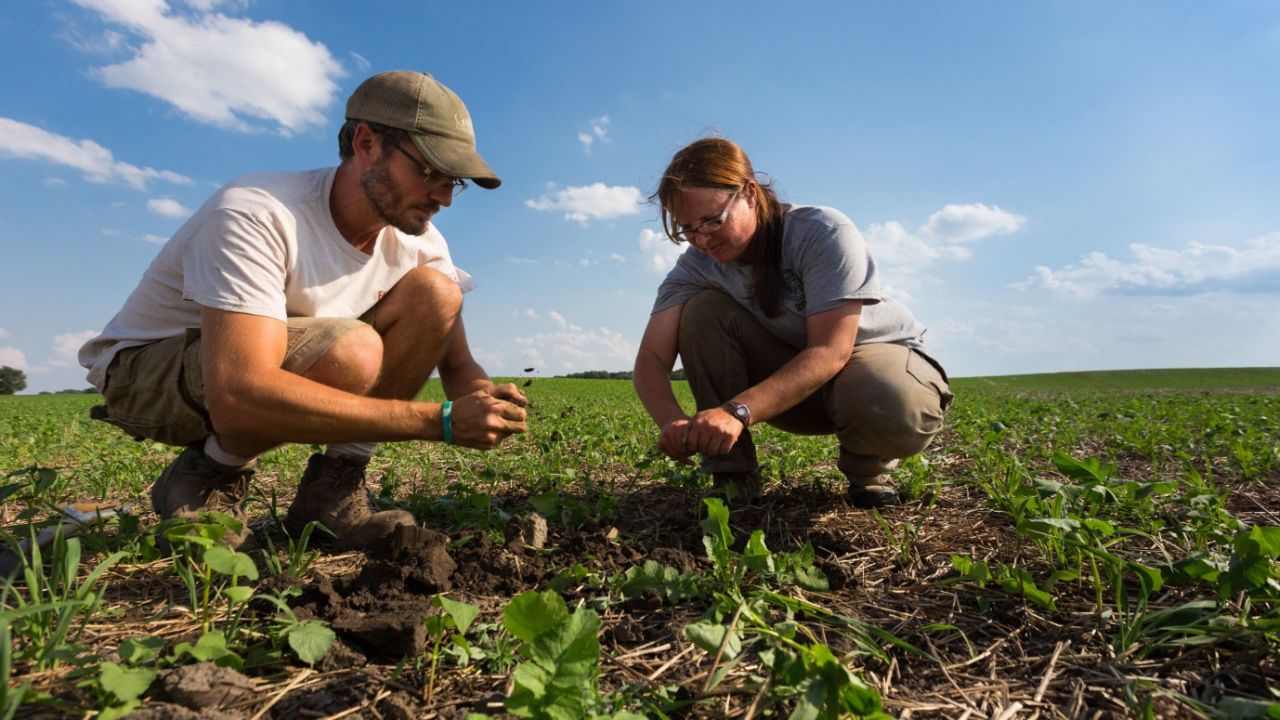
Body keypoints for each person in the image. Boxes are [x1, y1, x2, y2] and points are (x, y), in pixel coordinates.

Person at [79, 70, 527, 548]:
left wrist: (487, 400)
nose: (442, 197)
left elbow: (457, 365)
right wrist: (435, 421)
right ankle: (206, 476)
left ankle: (332, 493)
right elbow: (239, 394)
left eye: (452, 181)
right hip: (148, 374)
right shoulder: (258, 212)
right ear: (366, 143)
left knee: (438, 292)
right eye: (429, 172)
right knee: (351, 352)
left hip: (253, 370)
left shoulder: (420, 242)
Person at [633, 138, 953, 507]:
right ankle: (732, 477)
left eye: (712, 220)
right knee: (702, 310)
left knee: (888, 397)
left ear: (750, 193)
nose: (701, 239)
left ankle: (868, 475)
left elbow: (831, 351)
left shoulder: (819, 231)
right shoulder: (696, 266)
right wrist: (670, 421)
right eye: (685, 228)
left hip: (870, 367)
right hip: (798, 390)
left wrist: (737, 410)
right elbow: (652, 358)